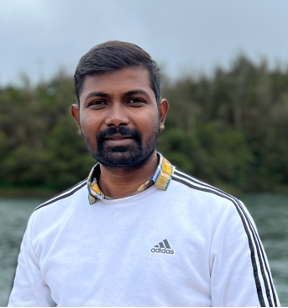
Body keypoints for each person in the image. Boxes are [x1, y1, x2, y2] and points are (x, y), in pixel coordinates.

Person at [8, 41, 280, 307]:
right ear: (77, 118)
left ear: (161, 114)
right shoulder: (44, 224)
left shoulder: (220, 217)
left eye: (134, 101)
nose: (116, 118)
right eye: (99, 103)